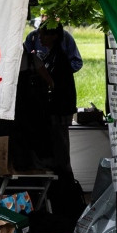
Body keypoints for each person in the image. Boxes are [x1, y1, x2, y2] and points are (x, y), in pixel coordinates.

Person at [22, 22, 82, 183]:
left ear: (54, 36)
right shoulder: (53, 55)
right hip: (58, 109)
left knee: (60, 147)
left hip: (60, 109)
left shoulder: (59, 58)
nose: (39, 38)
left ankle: (66, 181)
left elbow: (58, 86)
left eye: (43, 35)